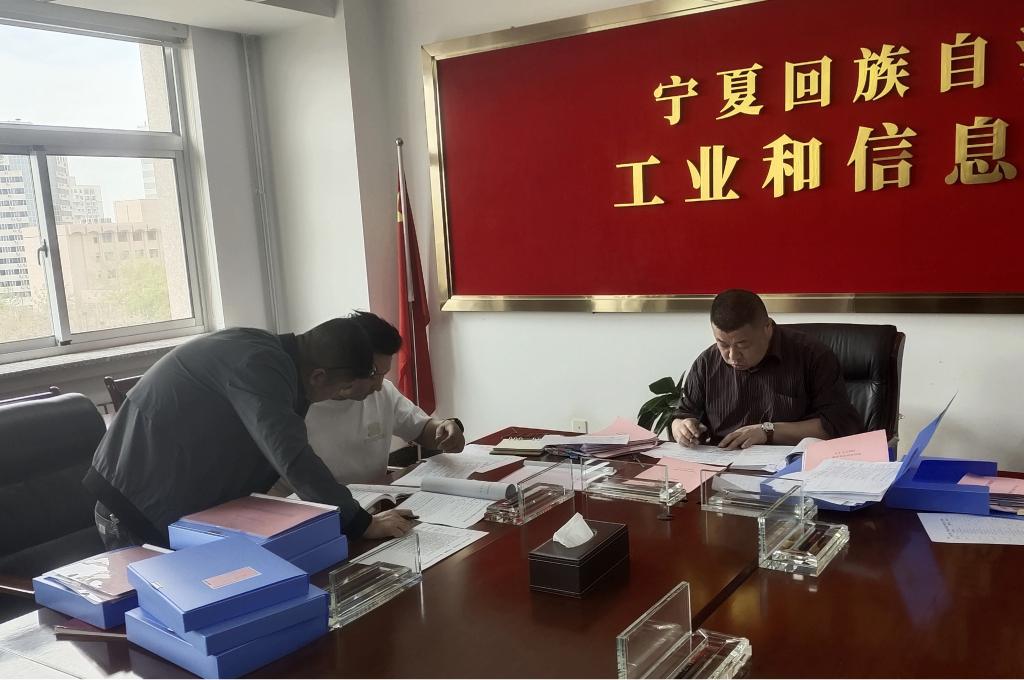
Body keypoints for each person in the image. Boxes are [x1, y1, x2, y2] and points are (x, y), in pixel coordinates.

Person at [84, 319, 415, 550]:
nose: (339, 397)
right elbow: (292, 455)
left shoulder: (275, 358)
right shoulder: (259, 365)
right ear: (318, 376)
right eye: (340, 389)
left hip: (172, 499)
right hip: (134, 507)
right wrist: (360, 523)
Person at [670, 289, 862, 450]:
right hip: (723, 465)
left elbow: (837, 425)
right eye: (723, 344)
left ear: (767, 327)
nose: (732, 356)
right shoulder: (707, 362)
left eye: (743, 344)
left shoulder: (812, 356)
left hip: (792, 466)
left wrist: (767, 431)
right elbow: (684, 414)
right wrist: (681, 427)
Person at [295, 311, 465, 487]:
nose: (378, 386)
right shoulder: (297, 406)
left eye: (383, 375)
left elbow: (421, 429)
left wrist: (445, 429)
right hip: (315, 502)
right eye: (372, 374)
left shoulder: (384, 392)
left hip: (376, 497)